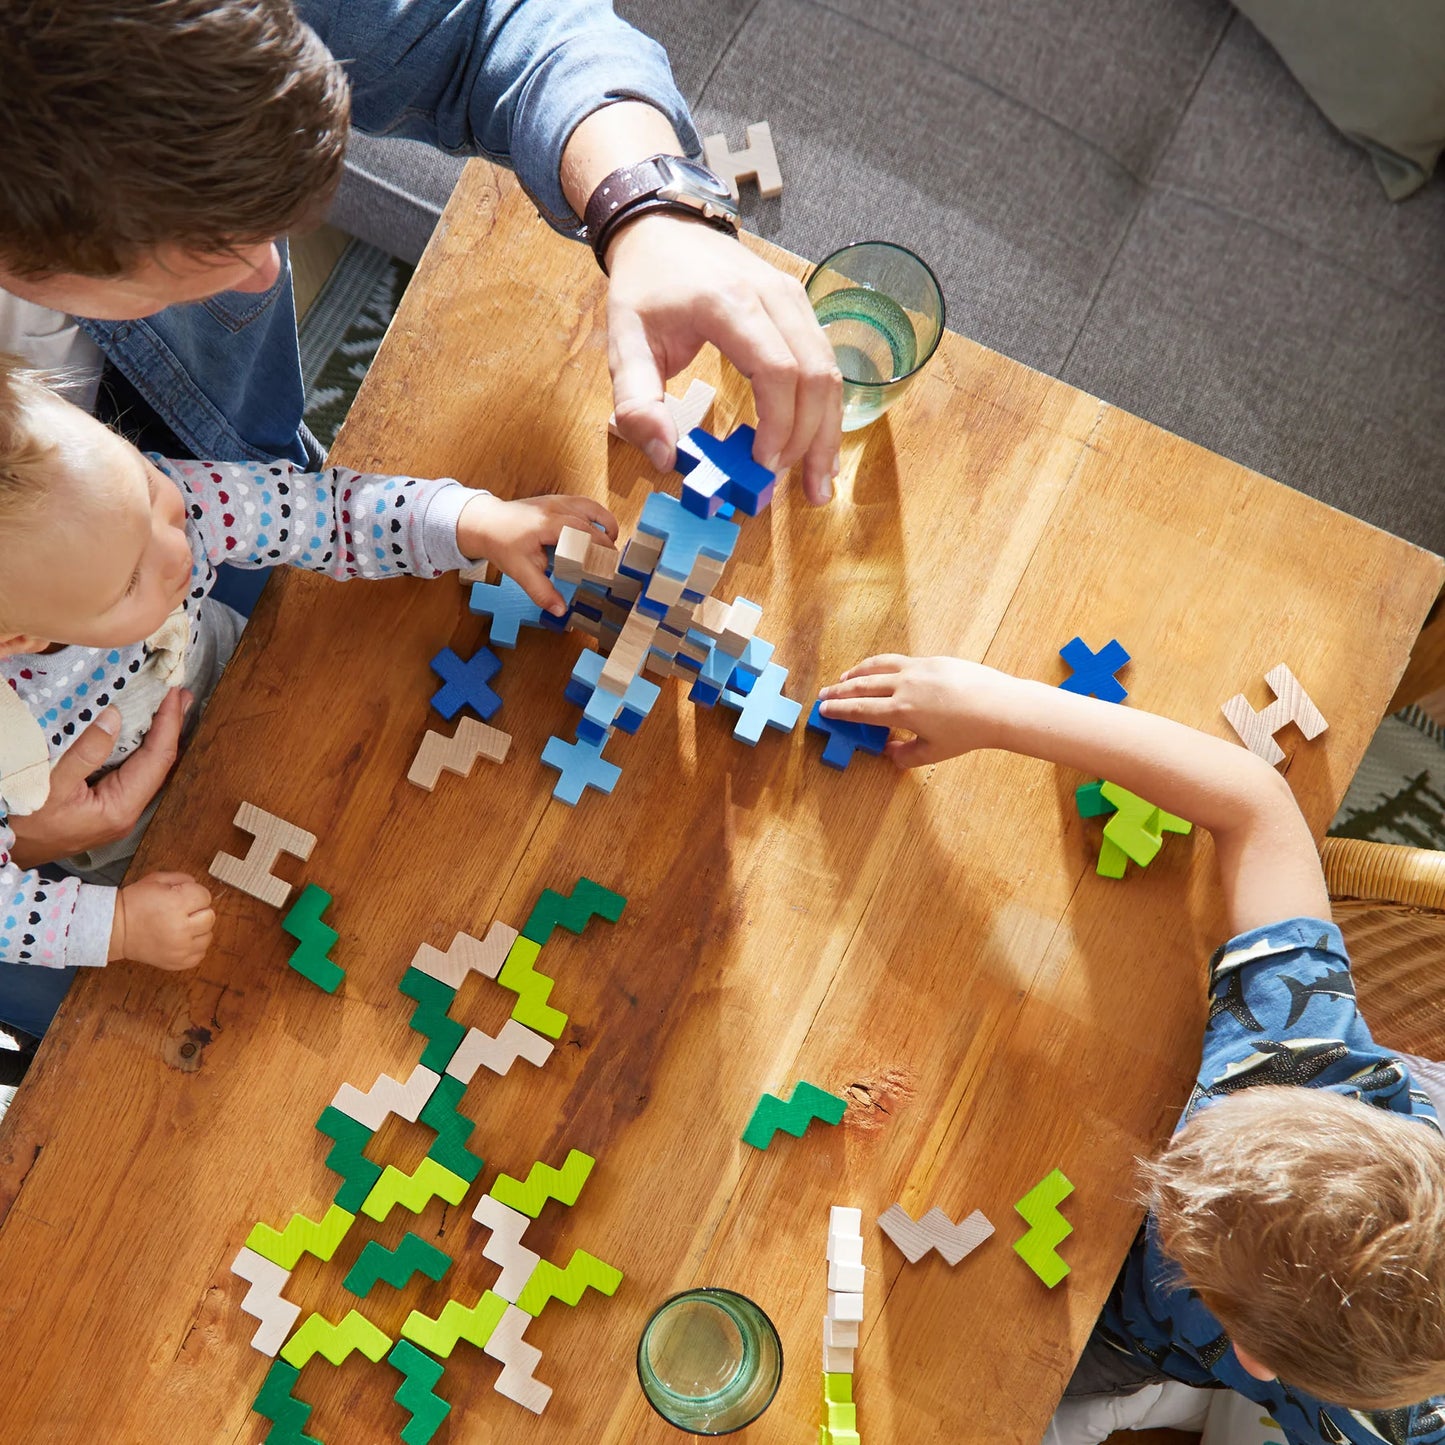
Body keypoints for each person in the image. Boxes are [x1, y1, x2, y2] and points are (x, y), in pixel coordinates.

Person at [0, 0, 845, 1025]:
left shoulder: (182, 508)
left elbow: (496, 24)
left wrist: (649, 209)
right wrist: (44, 852)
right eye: (206, 248)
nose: (270, 271)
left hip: (228, 634)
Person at [817, 656, 1445, 1445]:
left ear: (1250, 1355)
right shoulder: (1301, 1054)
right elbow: (1257, 804)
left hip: (1140, 1335)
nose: (1155, 1185)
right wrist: (996, 707)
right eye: (1201, 1133)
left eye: (1179, 1229)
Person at [0, 356, 616, 1033]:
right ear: (18, 640)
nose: (177, 547)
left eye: (147, 489)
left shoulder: (159, 508)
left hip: (253, 687)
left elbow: (323, 510)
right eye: (128, 584)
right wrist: (115, 926)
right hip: (149, 842)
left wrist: (470, 519)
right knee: (281, 985)